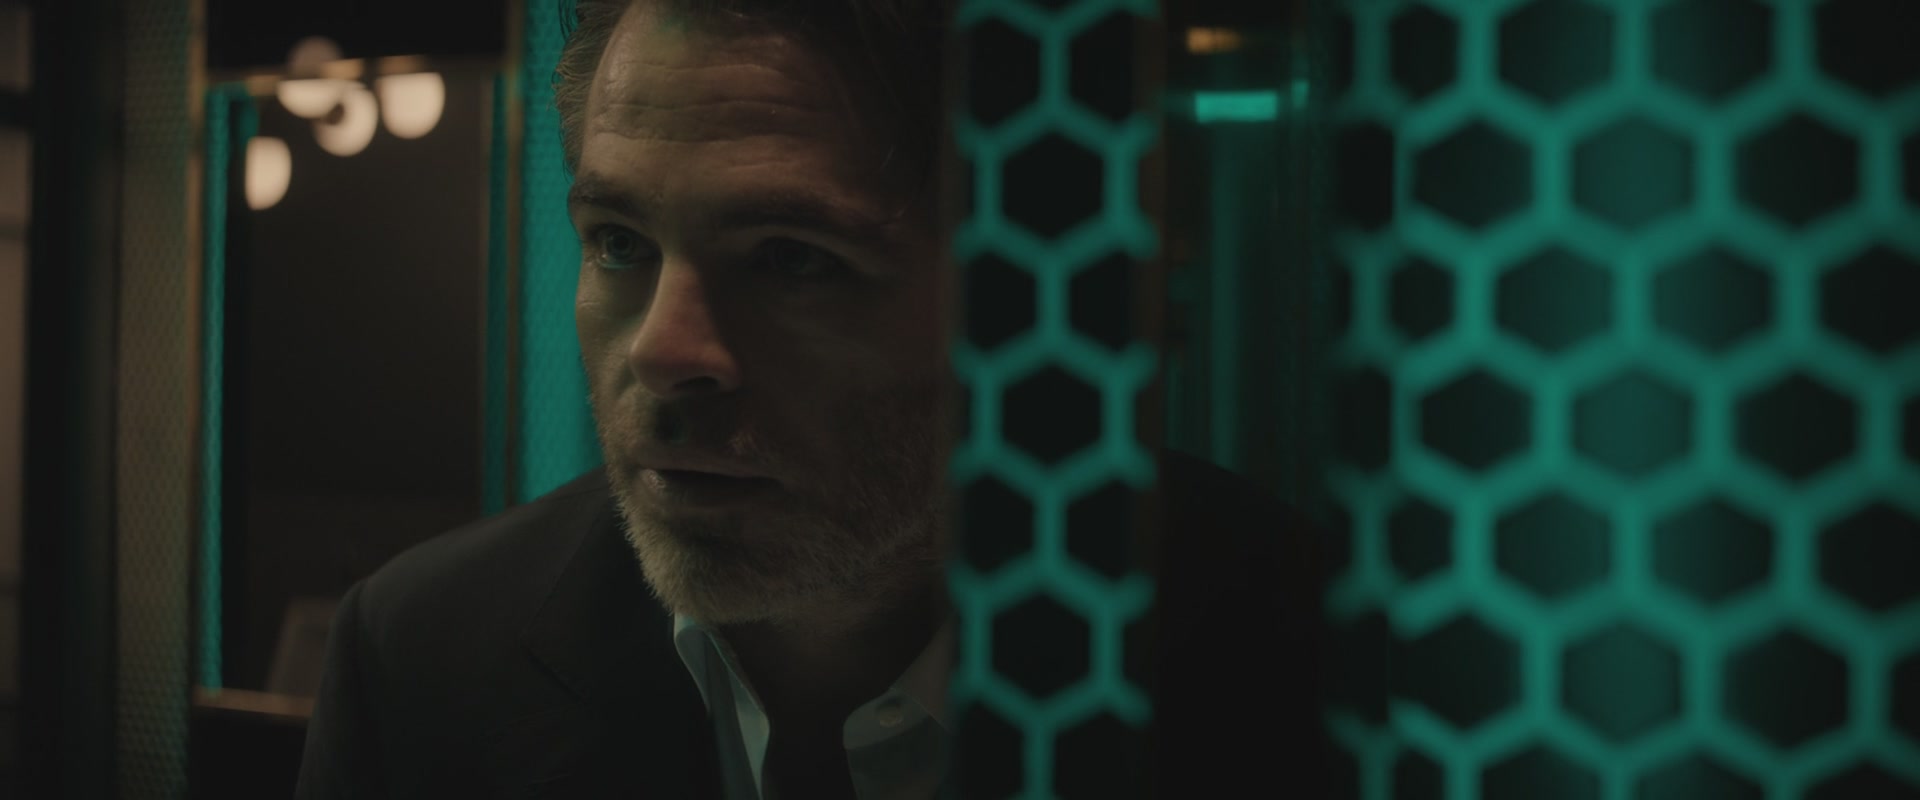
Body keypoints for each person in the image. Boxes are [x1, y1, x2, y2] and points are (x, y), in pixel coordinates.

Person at [294, 1, 1331, 797]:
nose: (663, 351)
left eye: (791, 258)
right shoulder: (423, 659)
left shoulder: (1314, 660)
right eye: (618, 242)